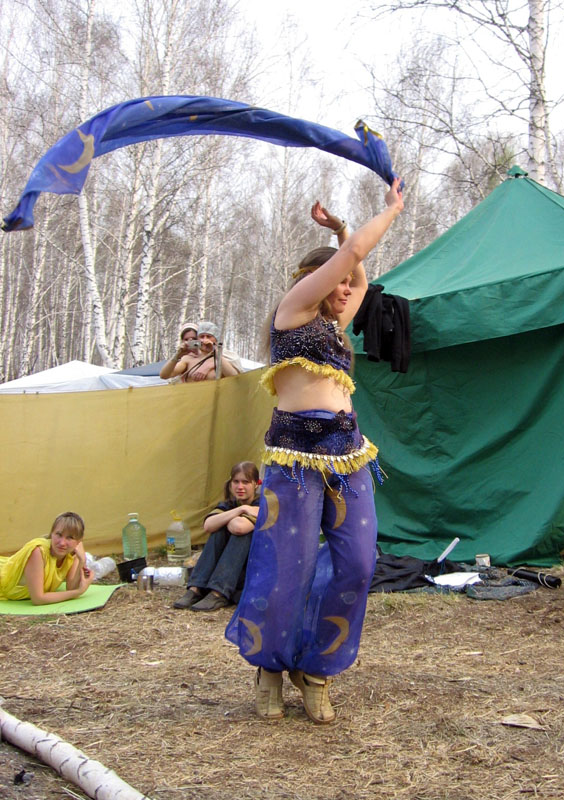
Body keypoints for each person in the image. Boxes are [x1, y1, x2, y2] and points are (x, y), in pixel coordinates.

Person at [225, 178, 404, 724]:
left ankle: (318, 670)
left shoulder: (334, 324)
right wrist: (390, 210)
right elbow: (353, 258)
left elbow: (360, 271)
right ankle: (270, 668)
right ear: (313, 280)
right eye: (339, 281)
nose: (349, 288)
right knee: (288, 569)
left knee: (358, 563)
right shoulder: (294, 311)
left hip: (349, 455)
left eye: (348, 283)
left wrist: (343, 229)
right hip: (295, 459)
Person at [173, 462, 260, 612]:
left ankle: (219, 592)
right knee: (217, 531)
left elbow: (239, 528)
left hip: (250, 570)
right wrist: (241, 509)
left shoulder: (261, 504)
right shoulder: (231, 504)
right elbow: (208, 525)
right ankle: (196, 588)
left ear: (256, 484)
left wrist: (226, 519)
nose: (240, 487)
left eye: (245, 482)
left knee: (239, 533)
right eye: (236, 482)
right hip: (231, 568)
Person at [0, 512, 94, 604]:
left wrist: (82, 561)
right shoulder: (39, 552)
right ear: (52, 533)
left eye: (69, 538)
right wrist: (78, 592)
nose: (62, 543)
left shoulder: (73, 554)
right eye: (59, 534)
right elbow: (38, 599)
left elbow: (71, 588)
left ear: (78, 542)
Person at [159, 321, 242, 382]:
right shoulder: (189, 359)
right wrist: (177, 355)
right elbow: (164, 375)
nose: (204, 340)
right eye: (201, 336)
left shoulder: (225, 357)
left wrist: (215, 352)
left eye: (209, 336)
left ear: (216, 339)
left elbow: (234, 377)